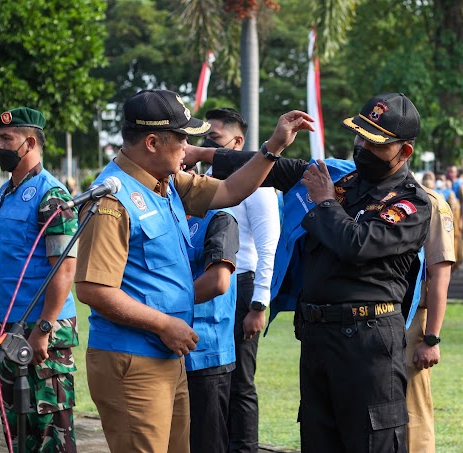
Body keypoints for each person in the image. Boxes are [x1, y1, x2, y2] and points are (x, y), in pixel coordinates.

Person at [74, 89, 312, 453]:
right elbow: (93, 289)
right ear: (152, 142)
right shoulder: (113, 200)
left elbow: (231, 190)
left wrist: (272, 148)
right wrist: (164, 324)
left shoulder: (165, 183)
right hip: (133, 359)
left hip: (169, 354)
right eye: (183, 138)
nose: (189, 147)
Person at [190, 92, 431, 452]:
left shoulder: (410, 202)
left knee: (371, 439)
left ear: (404, 151)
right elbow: (283, 169)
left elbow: (356, 243)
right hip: (318, 336)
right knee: (319, 438)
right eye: (360, 136)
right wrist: (203, 154)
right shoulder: (343, 181)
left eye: (375, 142)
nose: (362, 147)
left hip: (368, 343)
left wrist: (326, 203)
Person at [0, 107, 79, 452]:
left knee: (51, 431)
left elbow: (64, 269)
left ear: (28, 143)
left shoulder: (50, 195)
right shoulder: (3, 193)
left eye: (6, 139)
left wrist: (44, 328)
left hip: (43, 335)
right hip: (8, 329)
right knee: (16, 429)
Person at [203, 107, 281, 453]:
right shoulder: (203, 177)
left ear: (238, 141)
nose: (207, 146)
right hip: (210, 286)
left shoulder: (258, 181)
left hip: (243, 286)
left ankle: (245, 448)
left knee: (240, 380)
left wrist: (259, 304)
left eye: (214, 139)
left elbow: (269, 246)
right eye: (204, 139)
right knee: (213, 374)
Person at [185, 206, 240, 453]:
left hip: (206, 355)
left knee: (206, 443)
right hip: (167, 350)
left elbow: (218, 281)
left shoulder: (219, 219)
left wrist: (164, 306)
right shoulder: (167, 215)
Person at [406, 180, 456, 451]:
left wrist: (431, 338)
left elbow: (441, 274)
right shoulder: (367, 193)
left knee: (413, 409)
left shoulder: (430, 202)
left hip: (412, 320)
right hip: (372, 316)